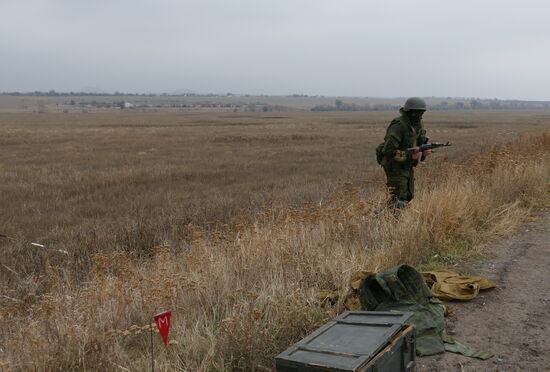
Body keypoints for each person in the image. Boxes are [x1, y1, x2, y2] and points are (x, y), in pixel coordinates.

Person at [376, 97, 432, 208]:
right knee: (399, 198)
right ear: (410, 112)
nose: (420, 116)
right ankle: (384, 219)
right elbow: (388, 151)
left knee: (408, 195)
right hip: (394, 165)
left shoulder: (417, 125)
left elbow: (420, 139)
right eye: (417, 113)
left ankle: (388, 218)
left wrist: (424, 149)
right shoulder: (398, 125)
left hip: (407, 165)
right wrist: (409, 156)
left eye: (421, 113)